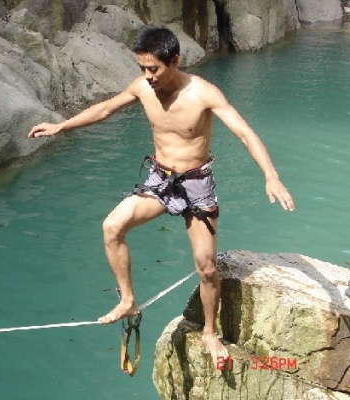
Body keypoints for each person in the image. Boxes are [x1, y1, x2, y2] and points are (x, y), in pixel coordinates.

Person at [27, 27, 295, 362]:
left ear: (175, 60)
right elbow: (106, 109)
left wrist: (271, 175)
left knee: (206, 267)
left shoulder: (203, 93)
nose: (147, 76)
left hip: (196, 184)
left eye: (153, 68)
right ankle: (127, 300)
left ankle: (210, 332)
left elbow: (244, 133)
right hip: (160, 180)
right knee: (112, 227)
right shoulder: (143, 87)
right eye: (142, 68)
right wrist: (61, 125)